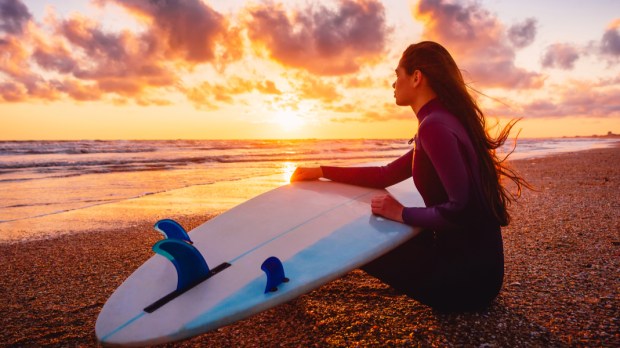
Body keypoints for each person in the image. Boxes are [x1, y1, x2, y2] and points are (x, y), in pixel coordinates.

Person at [290, 41, 530, 312]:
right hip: (483, 275)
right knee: (379, 226)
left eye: (397, 75)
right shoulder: (442, 120)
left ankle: (291, 276)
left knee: (359, 240)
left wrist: (401, 213)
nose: (393, 84)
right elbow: (386, 174)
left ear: (416, 77)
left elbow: (460, 210)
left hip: (464, 284)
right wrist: (323, 171)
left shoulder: (434, 126)